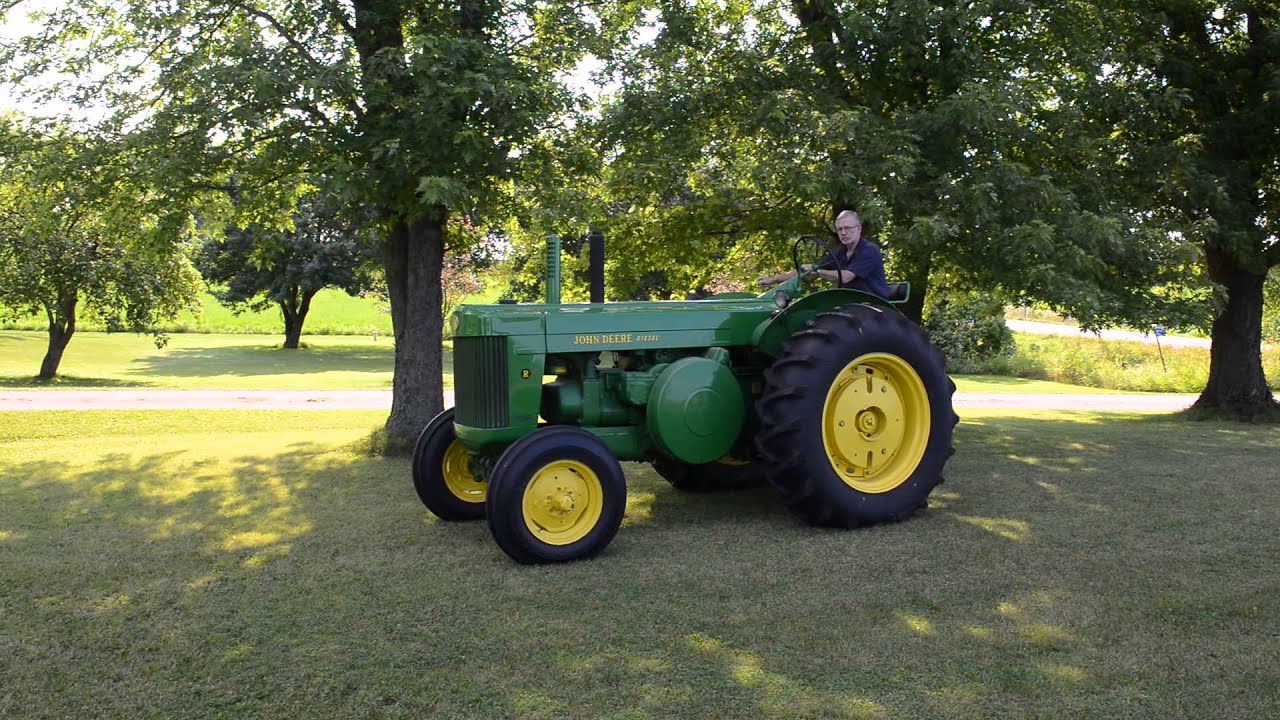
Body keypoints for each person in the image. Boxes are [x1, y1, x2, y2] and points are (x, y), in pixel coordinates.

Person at [756, 210, 892, 299]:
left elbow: (845, 277)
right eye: (840, 229)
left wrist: (817, 272)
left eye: (848, 228)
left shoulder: (869, 250)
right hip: (851, 303)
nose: (843, 232)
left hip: (873, 305)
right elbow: (807, 273)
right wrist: (773, 280)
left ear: (859, 229)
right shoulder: (840, 253)